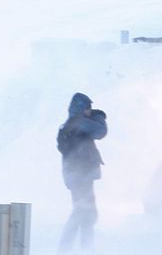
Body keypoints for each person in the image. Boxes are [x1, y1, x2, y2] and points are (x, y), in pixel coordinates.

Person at [57, 92, 108, 253]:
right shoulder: (79, 123)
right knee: (83, 211)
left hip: (76, 175)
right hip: (82, 175)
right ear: (82, 108)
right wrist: (99, 116)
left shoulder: (70, 124)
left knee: (85, 212)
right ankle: (70, 248)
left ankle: (85, 247)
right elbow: (100, 131)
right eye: (88, 108)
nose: (90, 111)